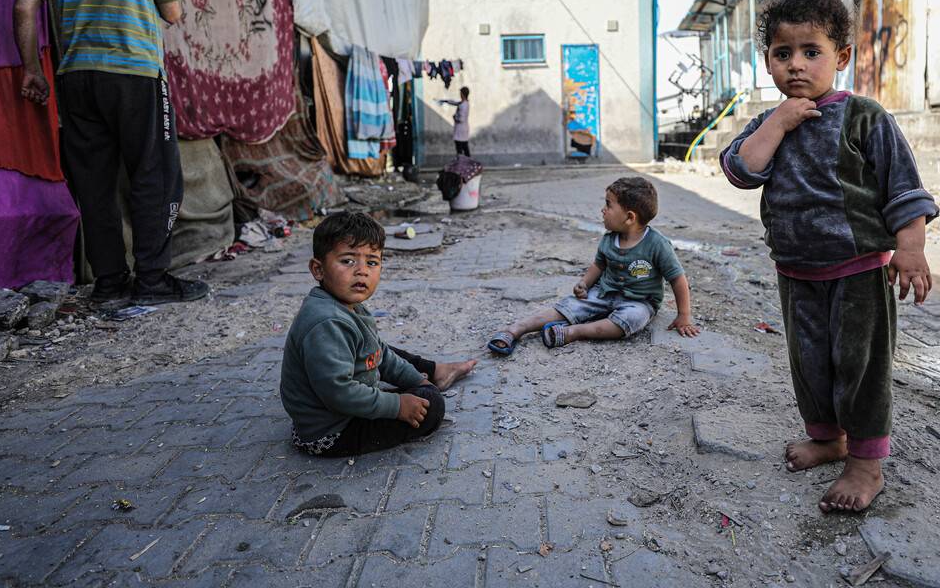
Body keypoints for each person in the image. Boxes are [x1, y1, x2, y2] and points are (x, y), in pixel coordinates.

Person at [719, 0, 938, 514]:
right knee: (810, 363)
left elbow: (903, 189)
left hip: (860, 271)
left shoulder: (865, 117)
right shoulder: (770, 123)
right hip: (795, 272)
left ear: (840, 58)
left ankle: (865, 463)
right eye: (782, 53)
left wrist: (910, 248)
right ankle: (828, 437)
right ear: (767, 61)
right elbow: (741, 170)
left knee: (860, 366)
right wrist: (778, 121)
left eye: (811, 52)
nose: (797, 65)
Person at [14, 0, 207, 304]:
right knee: (153, 175)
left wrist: (32, 70)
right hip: (136, 76)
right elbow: (172, 13)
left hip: (76, 78)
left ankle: (109, 283)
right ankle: (153, 280)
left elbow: (24, 6)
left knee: (94, 181)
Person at [281, 212, 477, 457]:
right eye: (348, 261)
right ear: (318, 269)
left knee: (383, 353)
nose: (362, 271)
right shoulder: (327, 321)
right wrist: (397, 406)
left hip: (334, 415)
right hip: (330, 433)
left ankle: (432, 373)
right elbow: (339, 392)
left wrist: (416, 380)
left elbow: (381, 352)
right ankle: (431, 379)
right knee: (432, 408)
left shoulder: (347, 306)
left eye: (372, 262)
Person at [487, 176, 696, 355]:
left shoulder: (657, 244)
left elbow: (677, 278)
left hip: (639, 302)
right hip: (603, 293)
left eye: (609, 205)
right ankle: (516, 329)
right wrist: (585, 283)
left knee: (633, 318)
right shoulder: (609, 239)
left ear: (630, 217)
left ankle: (573, 332)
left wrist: (684, 315)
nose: (603, 210)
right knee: (570, 306)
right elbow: (599, 264)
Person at [438, 86, 471, 157]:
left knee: (461, 148)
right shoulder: (464, 103)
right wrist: (445, 101)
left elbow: (461, 119)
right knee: (464, 147)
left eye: (461, 93)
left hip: (460, 130)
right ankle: (465, 162)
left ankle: (463, 163)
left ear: (462, 94)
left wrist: (455, 117)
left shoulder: (463, 105)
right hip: (462, 130)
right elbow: (455, 103)